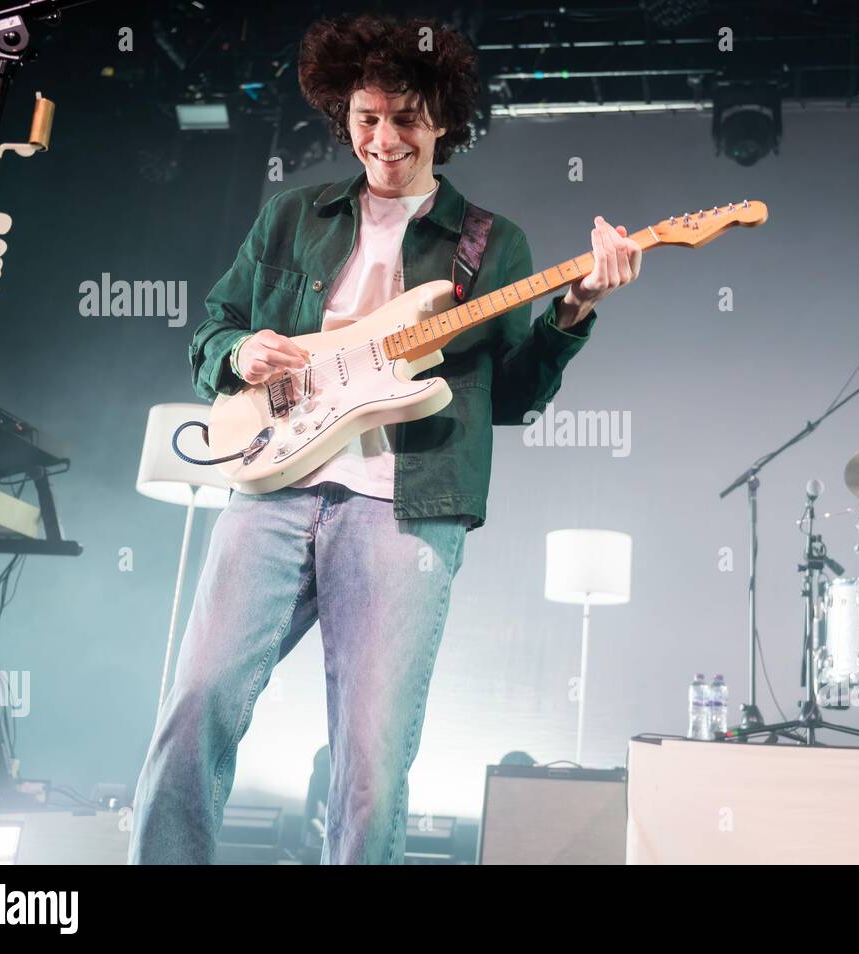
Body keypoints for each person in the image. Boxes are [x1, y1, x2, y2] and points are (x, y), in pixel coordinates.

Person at [129, 12, 641, 864]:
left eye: (406, 118)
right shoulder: (294, 215)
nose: (385, 138)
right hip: (272, 487)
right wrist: (241, 350)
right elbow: (210, 333)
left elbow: (510, 398)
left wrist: (574, 309)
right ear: (346, 118)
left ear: (442, 119)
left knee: (371, 759)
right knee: (195, 702)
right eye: (367, 118)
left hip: (406, 508)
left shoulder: (490, 243)